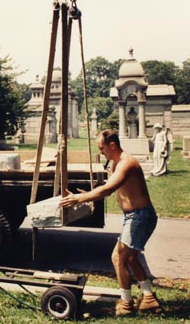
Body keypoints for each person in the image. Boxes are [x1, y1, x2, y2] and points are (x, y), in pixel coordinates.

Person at [60, 129, 162, 316]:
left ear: (112, 145)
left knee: (118, 258)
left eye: (102, 148)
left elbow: (107, 190)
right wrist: (88, 196)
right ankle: (149, 298)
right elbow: (106, 187)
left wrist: (78, 199)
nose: (101, 152)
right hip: (134, 216)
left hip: (140, 216)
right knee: (130, 258)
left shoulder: (127, 163)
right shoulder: (115, 164)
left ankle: (126, 305)